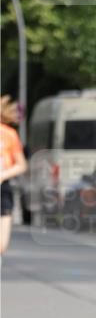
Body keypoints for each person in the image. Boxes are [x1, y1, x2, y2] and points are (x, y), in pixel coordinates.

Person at [1, 96, 27, 255]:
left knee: (1, 245)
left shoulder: (9, 134)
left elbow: (21, 164)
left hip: (2, 188)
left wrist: (4, 174)